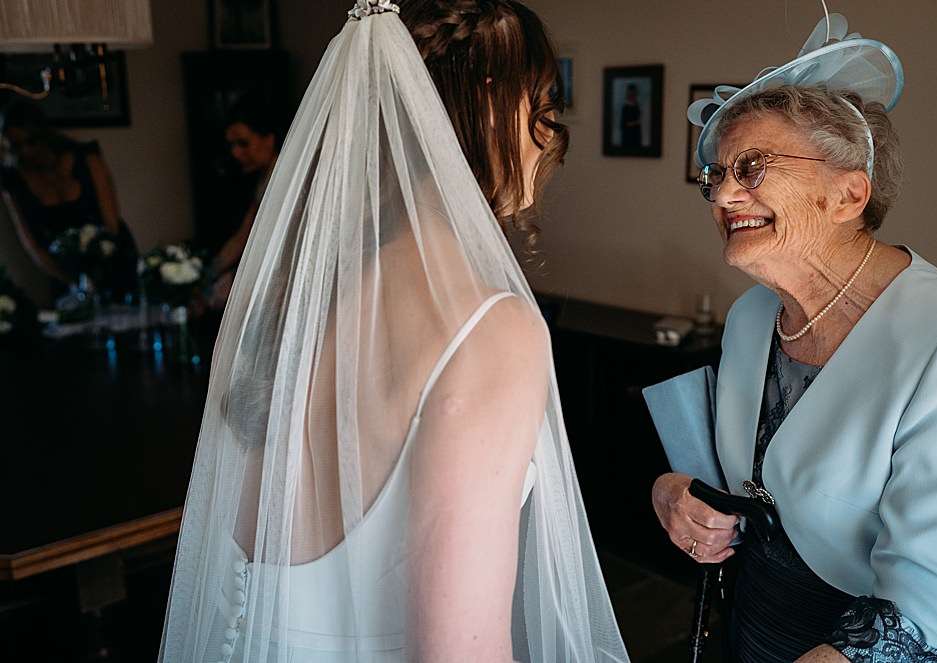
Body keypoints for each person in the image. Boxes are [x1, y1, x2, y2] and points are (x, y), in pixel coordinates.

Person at [159, 1, 628, 660]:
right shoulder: (492, 331)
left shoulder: (294, 294)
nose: (549, 134)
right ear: (489, 105)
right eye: (542, 102)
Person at [650, 21, 937, 661]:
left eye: (752, 168)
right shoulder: (753, 315)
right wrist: (674, 493)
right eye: (716, 173)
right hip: (755, 618)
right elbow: (748, 481)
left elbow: (926, 605)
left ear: (848, 194)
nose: (724, 193)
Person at [0, 99, 140, 296]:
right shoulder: (13, 179)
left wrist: (99, 264)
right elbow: (33, 245)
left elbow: (111, 222)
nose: (25, 151)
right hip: (66, 272)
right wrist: (74, 283)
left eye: (31, 142)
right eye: (16, 145)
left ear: (43, 134)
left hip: (112, 257)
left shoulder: (86, 157)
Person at [208, 101, 284, 308]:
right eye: (232, 145)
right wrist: (205, 275)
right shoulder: (264, 178)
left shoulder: (284, 179)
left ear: (269, 139)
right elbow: (244, 235)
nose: (235, 153)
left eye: (243, 143)